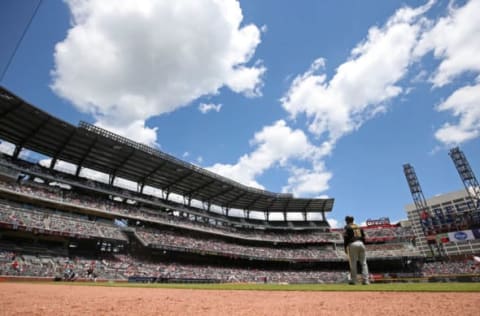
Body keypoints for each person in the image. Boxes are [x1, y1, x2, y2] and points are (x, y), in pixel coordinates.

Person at [343, 215, 369, 285]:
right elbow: (363, 237)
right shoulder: (359, 227)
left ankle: (354, 280)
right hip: (361, 244)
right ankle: (366, 281)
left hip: (353, 244)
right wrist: (363, 244)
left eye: (346, 220)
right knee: (364, 263)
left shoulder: (347, 227)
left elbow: (345, 238)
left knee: (353, 263)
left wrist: (345, 247)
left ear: (347, 221)